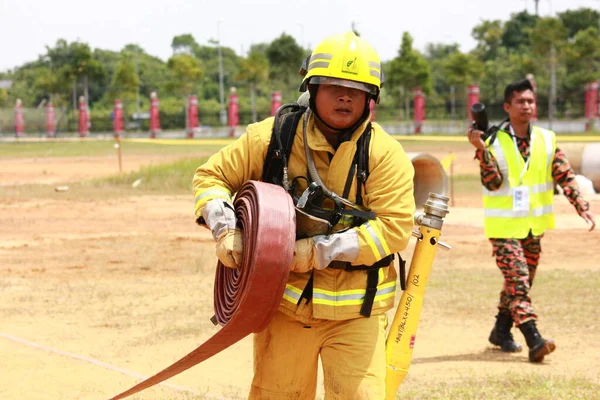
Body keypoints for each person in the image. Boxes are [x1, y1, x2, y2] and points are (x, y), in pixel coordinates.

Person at [192, 31, 415, 399]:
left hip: (358, 315)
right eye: (332, 86)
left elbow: (392, 229)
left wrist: (316, 252)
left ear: (371, 98)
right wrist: (226, 228)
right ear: (311, 87)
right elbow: (210, 177)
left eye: (357, 90)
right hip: (285, 308)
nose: (345, 96)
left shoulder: (384, 155)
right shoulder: (272, 137)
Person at [467, 79, 596, 362]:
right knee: (519, 280)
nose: (526, 105)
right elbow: (491, 182)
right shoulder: (492, 138)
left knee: (518, 285)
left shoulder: (547, 139)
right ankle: (533, 338)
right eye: (520, 101)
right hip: (503, 228)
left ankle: (501, 331)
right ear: (507, 107)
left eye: (530, 101)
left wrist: (581, 205)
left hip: (532, 227)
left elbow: (564, 174)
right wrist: (481, 150)